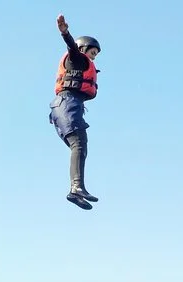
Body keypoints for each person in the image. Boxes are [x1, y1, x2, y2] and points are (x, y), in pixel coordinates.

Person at [48, 14, 101, 210]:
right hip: (67, 104)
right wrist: (65, 33)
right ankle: (76, 188)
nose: (93, 57)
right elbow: (71, 47)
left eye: (95, 55)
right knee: (79, 144)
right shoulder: (77, 58)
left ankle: (77, 189)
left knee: (80, 146)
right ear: (82, 49)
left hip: (68, 106)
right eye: (92, 53)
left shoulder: (83, 63)